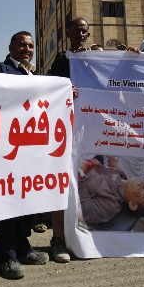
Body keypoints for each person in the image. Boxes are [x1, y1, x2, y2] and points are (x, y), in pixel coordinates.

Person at [0, 32, 50, 279]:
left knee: (28, 200)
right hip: (8, 147)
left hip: (31, 148)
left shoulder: (35, 75)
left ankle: (22, 246)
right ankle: (5, 254)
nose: (27, 49)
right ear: (10, 46)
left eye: (31, 46)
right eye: (22, 44)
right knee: (9, 202)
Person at [45, 17, 92, 263]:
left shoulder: (98, 58)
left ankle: (90, 238)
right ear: (68, 33)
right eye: (75, 30)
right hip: (66, 130)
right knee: (61, 185)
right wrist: (64, 90)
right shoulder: (62, 61)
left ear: (88, 34)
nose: (79, 34)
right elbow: (50, 87)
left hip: (92, 132)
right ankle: (58, 239)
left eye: (83, 31)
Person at [77, 157, 144, 227]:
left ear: (133, 205)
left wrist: (79, 173)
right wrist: (96, 164)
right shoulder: (121, 173)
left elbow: (83, 211)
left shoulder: (111, 205)